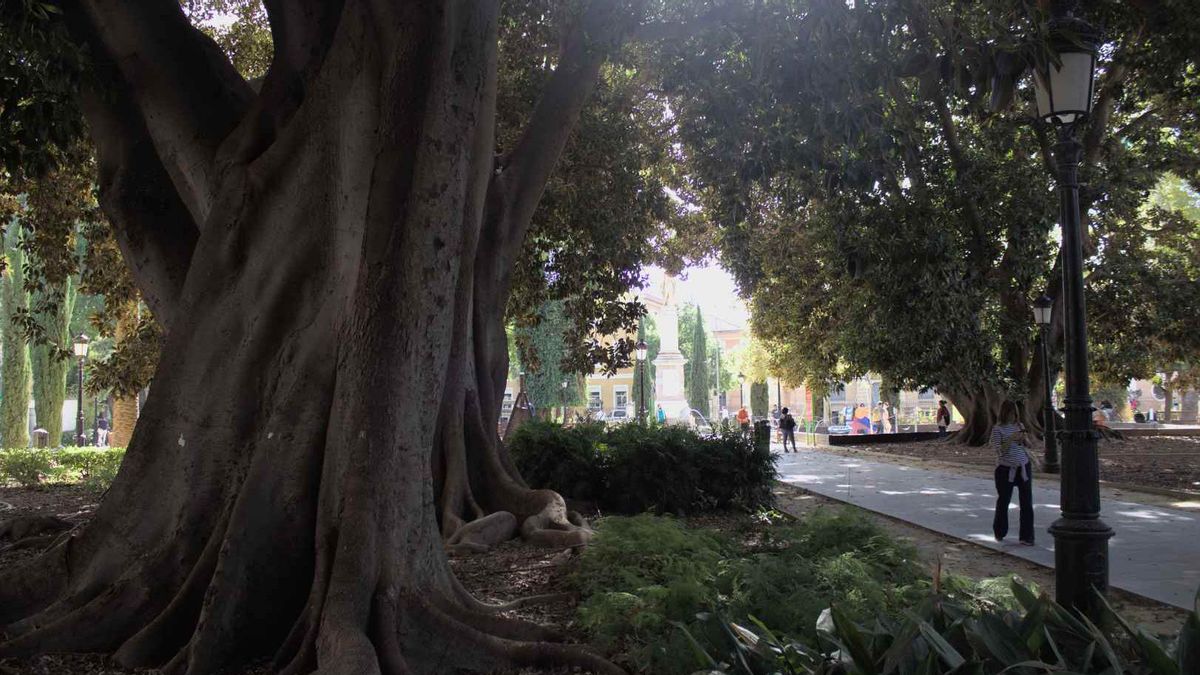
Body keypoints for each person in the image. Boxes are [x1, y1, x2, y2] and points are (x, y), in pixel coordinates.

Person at [992, 400, 1034, 546]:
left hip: (1023, 467)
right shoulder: (997, 429)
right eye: (1010, 413)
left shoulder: (1019, 426)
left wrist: (1024, 439)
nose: (1013, 416)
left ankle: (1027, 536)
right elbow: (999, 451)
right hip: (1005, 469)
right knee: (1004, 501)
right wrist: (1010, 439)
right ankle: (1000, 531)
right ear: (1005, 413)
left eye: (1015, 413)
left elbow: (1029, 444)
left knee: (1026, 502)